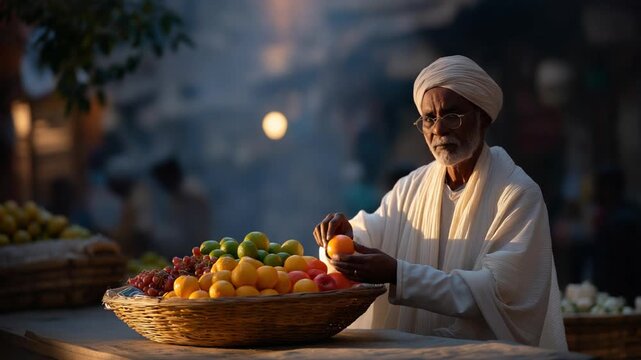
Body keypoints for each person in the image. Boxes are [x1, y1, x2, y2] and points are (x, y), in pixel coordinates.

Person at [313, 55, 567, 350]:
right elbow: (373, 233)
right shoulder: (411, 187)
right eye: (429, 119)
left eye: (452, 115)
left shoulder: (517, 194)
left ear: (482, 117)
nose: (439, 130)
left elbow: (496, 294)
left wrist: (398, 274)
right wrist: (345, 236)